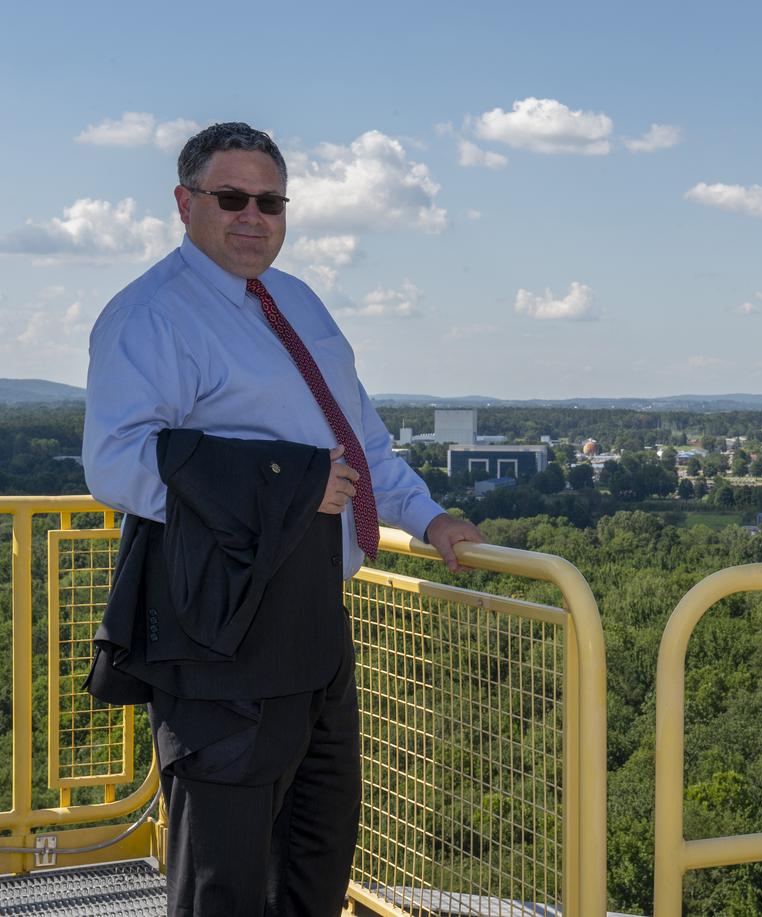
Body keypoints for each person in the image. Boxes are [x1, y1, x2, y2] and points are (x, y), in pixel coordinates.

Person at [82, 121, 484, 916]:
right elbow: (117, 461)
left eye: (270, 200)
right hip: (219, 631)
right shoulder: (152, 315)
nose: (252, 215)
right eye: (230, 197)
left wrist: (432, 519)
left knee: (314, 855)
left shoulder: (296, 301)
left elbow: (358, 443)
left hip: (312, 626)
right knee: (221, 881)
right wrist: (283, 488)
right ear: (184, 202)